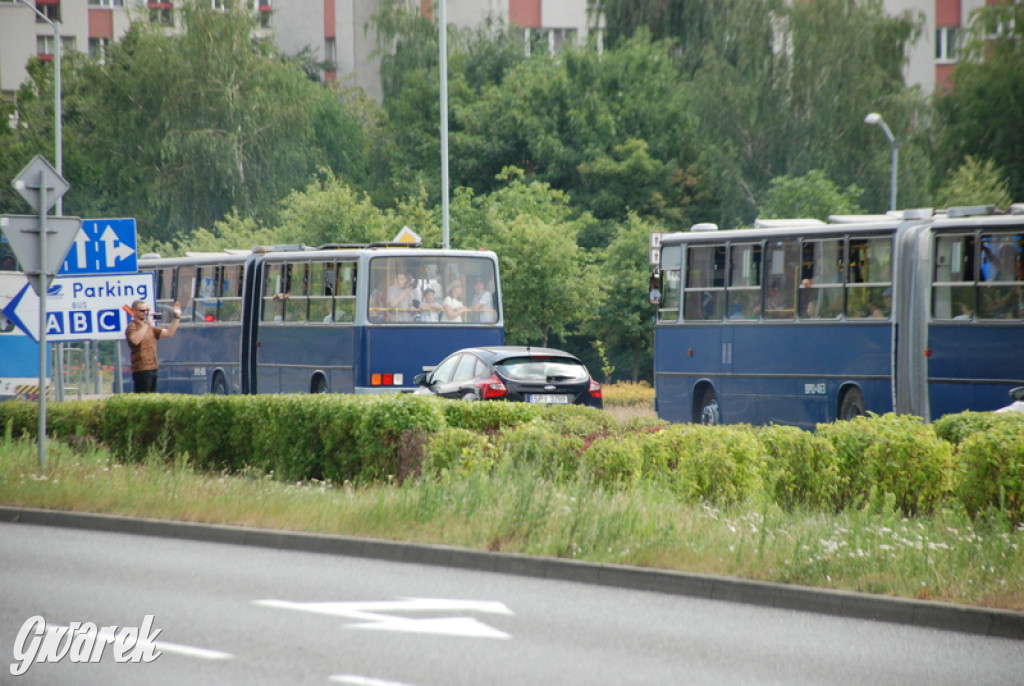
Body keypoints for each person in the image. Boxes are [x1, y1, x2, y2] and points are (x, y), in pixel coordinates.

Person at [125, 299, 181, 393]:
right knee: (143, 396)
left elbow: (169, 333)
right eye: (142, 311)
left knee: (152, 396)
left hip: (153, 367)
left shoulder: (150, 328)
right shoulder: (132, 326)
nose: (145, 313)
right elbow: (135, 340)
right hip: (141, 368)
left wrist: (176, 317)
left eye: (146, 310)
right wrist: (147, 324)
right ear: (134, 312)